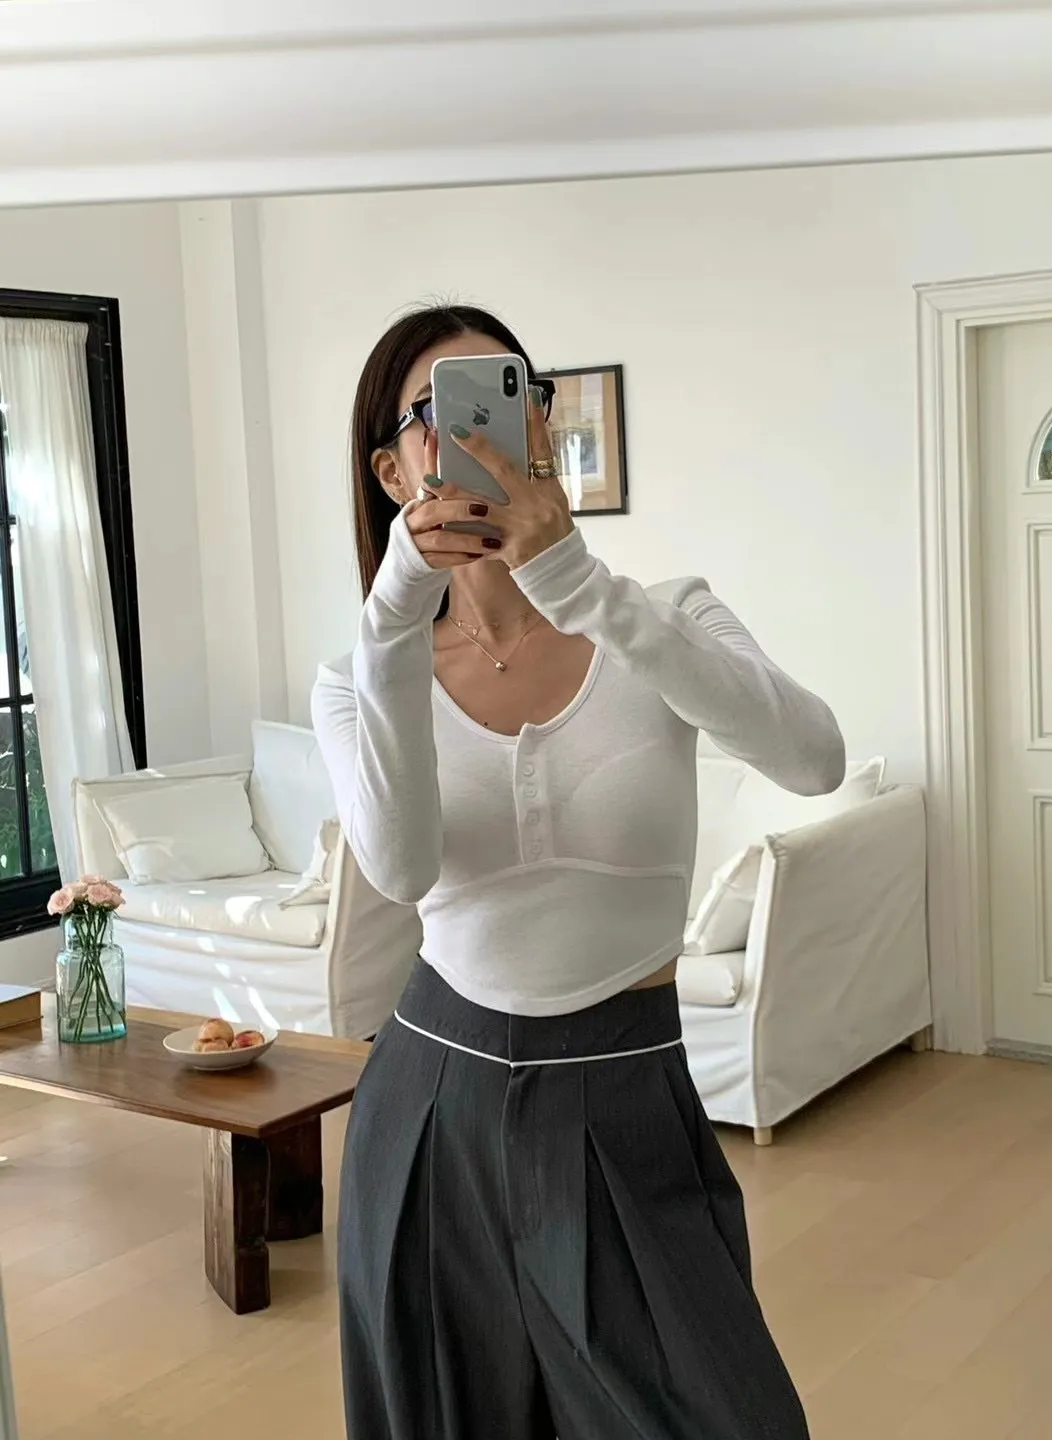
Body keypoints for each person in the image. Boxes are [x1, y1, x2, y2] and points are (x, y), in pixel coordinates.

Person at [312, 303, 845, 1440]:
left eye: (513, 393)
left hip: (626, 1090)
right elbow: (401, 870)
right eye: (437, 411)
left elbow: (815, 760)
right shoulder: (357, 675)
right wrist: (392, 617)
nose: (480, 431)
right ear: (393, 468)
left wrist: (584, 588)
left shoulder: (666, 618)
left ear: (544, 429)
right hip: (433, 1100)